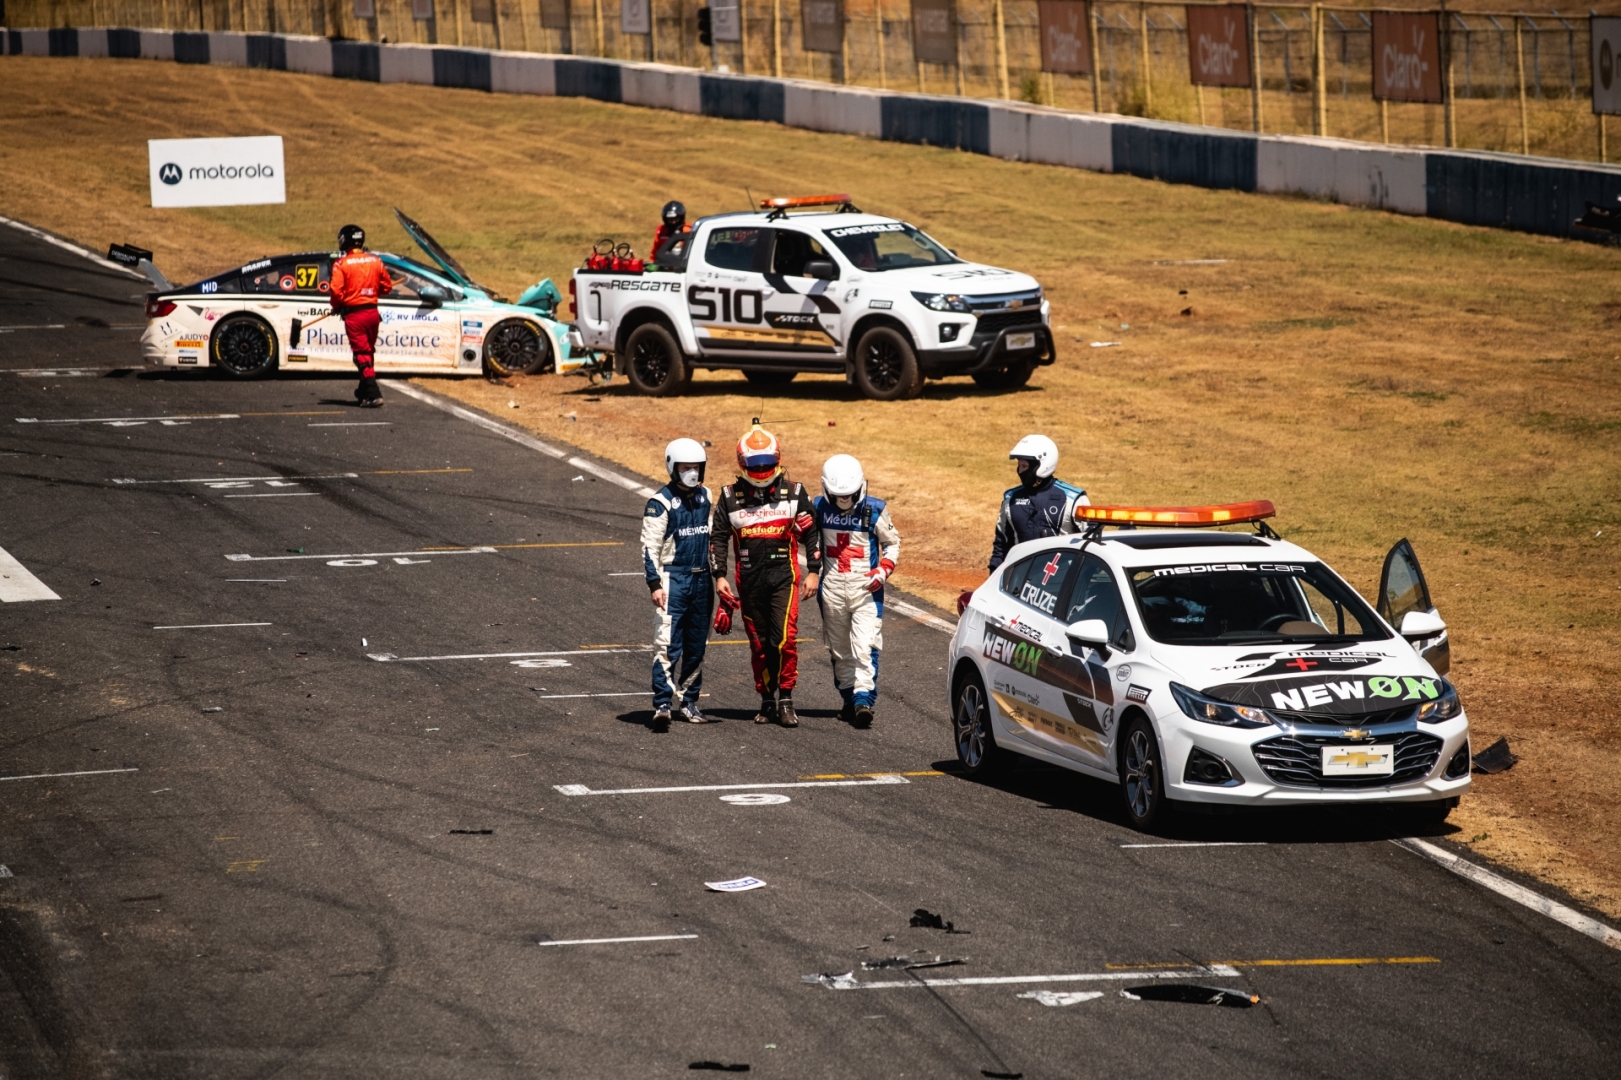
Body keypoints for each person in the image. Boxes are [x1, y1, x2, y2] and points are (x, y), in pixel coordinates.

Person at [711, 423, 822, 727]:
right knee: (760, 646)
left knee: (784, 640)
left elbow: (812, 534)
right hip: (747, 584)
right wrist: (719, 576)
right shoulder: (729, 497)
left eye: (767, 465)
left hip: (783, 580)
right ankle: (766, 700)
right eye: (755, 465)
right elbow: (718, 537)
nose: (761, 470)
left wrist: (813, 572)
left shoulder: (795, 493)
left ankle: (786, 699)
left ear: (777, 460)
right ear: (742, 463)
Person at [814, 454, 900, 729]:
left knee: (865, 646)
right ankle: (849, 699)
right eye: (838, 495)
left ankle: (864, 700)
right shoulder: (816, 508)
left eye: (849, 495)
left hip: (866, 589)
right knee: (839, 650)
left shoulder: (875, 509)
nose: (844, 500)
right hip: (832, 589)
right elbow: (802, 537)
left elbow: (893, 544)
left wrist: (883, 570)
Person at [642, 438, 715, 730]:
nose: (692, 473)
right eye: (686, 467)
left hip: (702, 580)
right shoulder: (659, 503)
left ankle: (689, 702)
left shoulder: (706, 495)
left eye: (697, 467)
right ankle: (662, 704)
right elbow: (649, 548)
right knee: (668, 645)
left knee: (697, 645)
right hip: (673, 579)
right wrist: (654, 584)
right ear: (673, 467)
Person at [987, 434, 1089, 571]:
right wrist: (994, 575)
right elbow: (1001, 545)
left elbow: (1090, 544)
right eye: (1019, 465)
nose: (1019, 471)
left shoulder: (1073, 499)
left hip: (1061, 586)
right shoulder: (1010, 499)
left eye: (1024, 465)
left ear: (1043, 465)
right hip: (1019, 582)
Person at [330, 224, 393, 408]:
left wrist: (337, 305)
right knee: (368, 353)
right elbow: (387, 287)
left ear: (344, 240)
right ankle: (363, 391)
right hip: (372, 313)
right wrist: (371, 291)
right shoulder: (376, 261)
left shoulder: (341, 264)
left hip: (355, 315)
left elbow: (335, 291)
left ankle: (374, 394)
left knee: (362, 355)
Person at [651, 201, 690, 267]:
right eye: (670, 219)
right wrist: (653, 264)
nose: (673, 222)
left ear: (681, 218)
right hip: (663, 265)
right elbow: (655, 251)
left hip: (682, 266)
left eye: (675, 219)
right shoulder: (660, 230)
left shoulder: (688, 230)